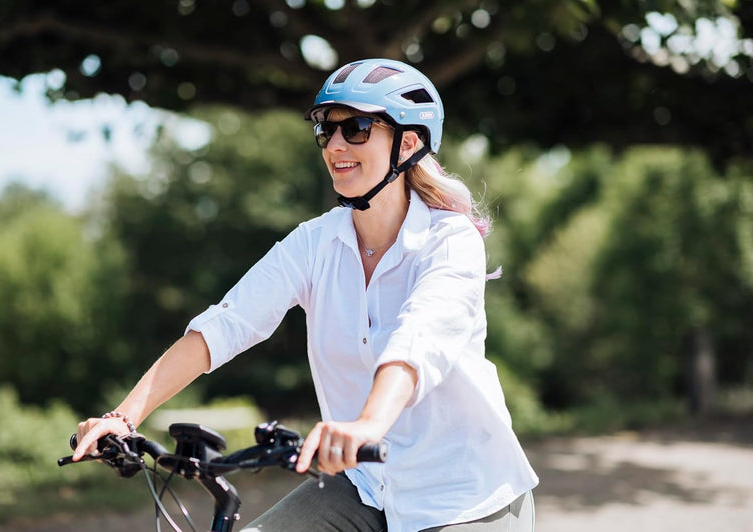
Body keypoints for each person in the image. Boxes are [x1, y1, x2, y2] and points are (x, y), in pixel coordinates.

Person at [73, 58, 538, 531]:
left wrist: (367, 426)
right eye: (325, 129)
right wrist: (124, 418)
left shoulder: (449, 241)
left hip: (464, 495)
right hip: (364, 485)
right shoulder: (313, 244)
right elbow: (226, 324)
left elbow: (419, 341)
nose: (335, 145)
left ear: (408, 144)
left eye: (355, 128)